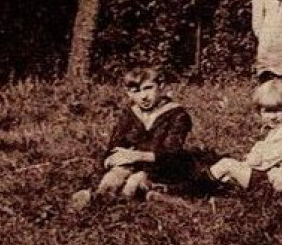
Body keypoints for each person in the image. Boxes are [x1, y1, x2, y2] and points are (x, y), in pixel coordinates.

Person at [76, 65, 194, 206]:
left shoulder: (177, 114)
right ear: (129, 94)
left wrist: (137, 156)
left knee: (133, 184)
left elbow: (171, 153)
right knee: (113, 177)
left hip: (163, 167)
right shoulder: (130, 114)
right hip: (133, 164)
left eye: (148, 88)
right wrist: (111, 158)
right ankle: (97, 198)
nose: (143, 96)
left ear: (161, 87)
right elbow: (115, 144)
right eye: (136, 91)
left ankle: (141, 199)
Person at [209, 77, 282, 192]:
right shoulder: (279, 129)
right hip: (269, 177)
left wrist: (248, 162)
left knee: (226, 165)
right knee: (227, 175)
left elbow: (265, 160)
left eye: (277, 111)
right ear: (259, 111)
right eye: (267, 111)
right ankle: (215, 187)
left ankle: (198, 186)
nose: (272, 117)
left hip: (275, 182)